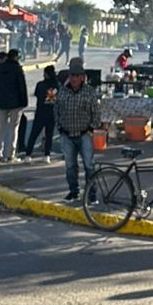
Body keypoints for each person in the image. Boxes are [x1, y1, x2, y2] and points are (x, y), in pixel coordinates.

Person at [55, 58, 102, 202]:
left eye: (77, 76)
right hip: (67, 134)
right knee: (70, 166)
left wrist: (91, 128)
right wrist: (59, 127)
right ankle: (73, 191)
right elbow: (56, 109)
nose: (74, 79)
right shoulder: (63, 92)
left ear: (82, 77)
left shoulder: (89, 92)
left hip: (84, 134)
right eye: (72, 75)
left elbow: (96, 113)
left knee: (89, 166)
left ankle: (91, 195)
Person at [0, 48, 29, 162]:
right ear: (16, 57)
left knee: (1, 128)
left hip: (2, 102)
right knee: (14, 128)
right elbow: (22, 87)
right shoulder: (17, 69)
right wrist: (24, 102)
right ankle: (10, 154)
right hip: (16, 103)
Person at [24, 65, 59, 161]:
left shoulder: (40, 85)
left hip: (41, 112)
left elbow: (37, 94)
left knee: (34, 134)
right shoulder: (57, 86)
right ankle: (47, 155)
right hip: (52, 113)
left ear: (46, 74)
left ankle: (28, 154)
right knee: (49, 135)